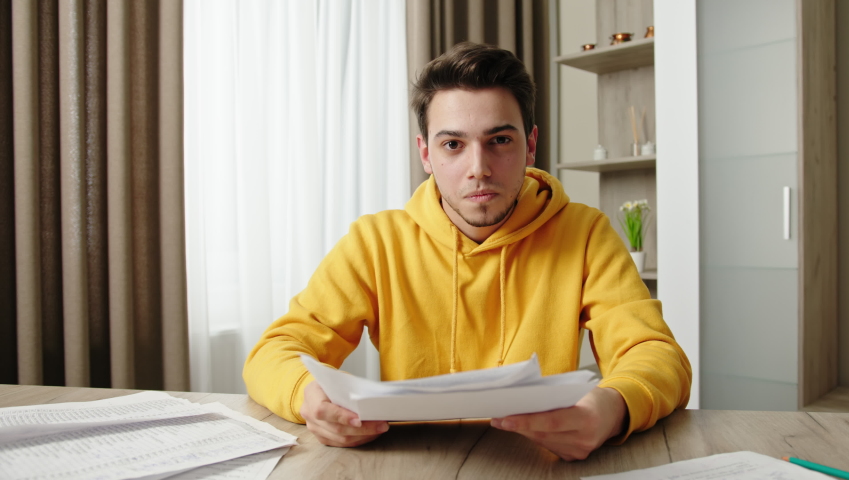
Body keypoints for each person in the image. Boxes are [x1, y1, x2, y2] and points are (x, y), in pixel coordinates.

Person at [243, 42, 691, 461]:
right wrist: (309, 397)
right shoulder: (375, 243)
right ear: (426, 153)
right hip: (414, 464)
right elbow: (275, 350)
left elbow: (656, 354)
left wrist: (611, 408)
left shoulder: (585, 233)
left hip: (538, 465)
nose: (478, 169)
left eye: (499, 140)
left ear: (530, 145)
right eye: (453, 144)